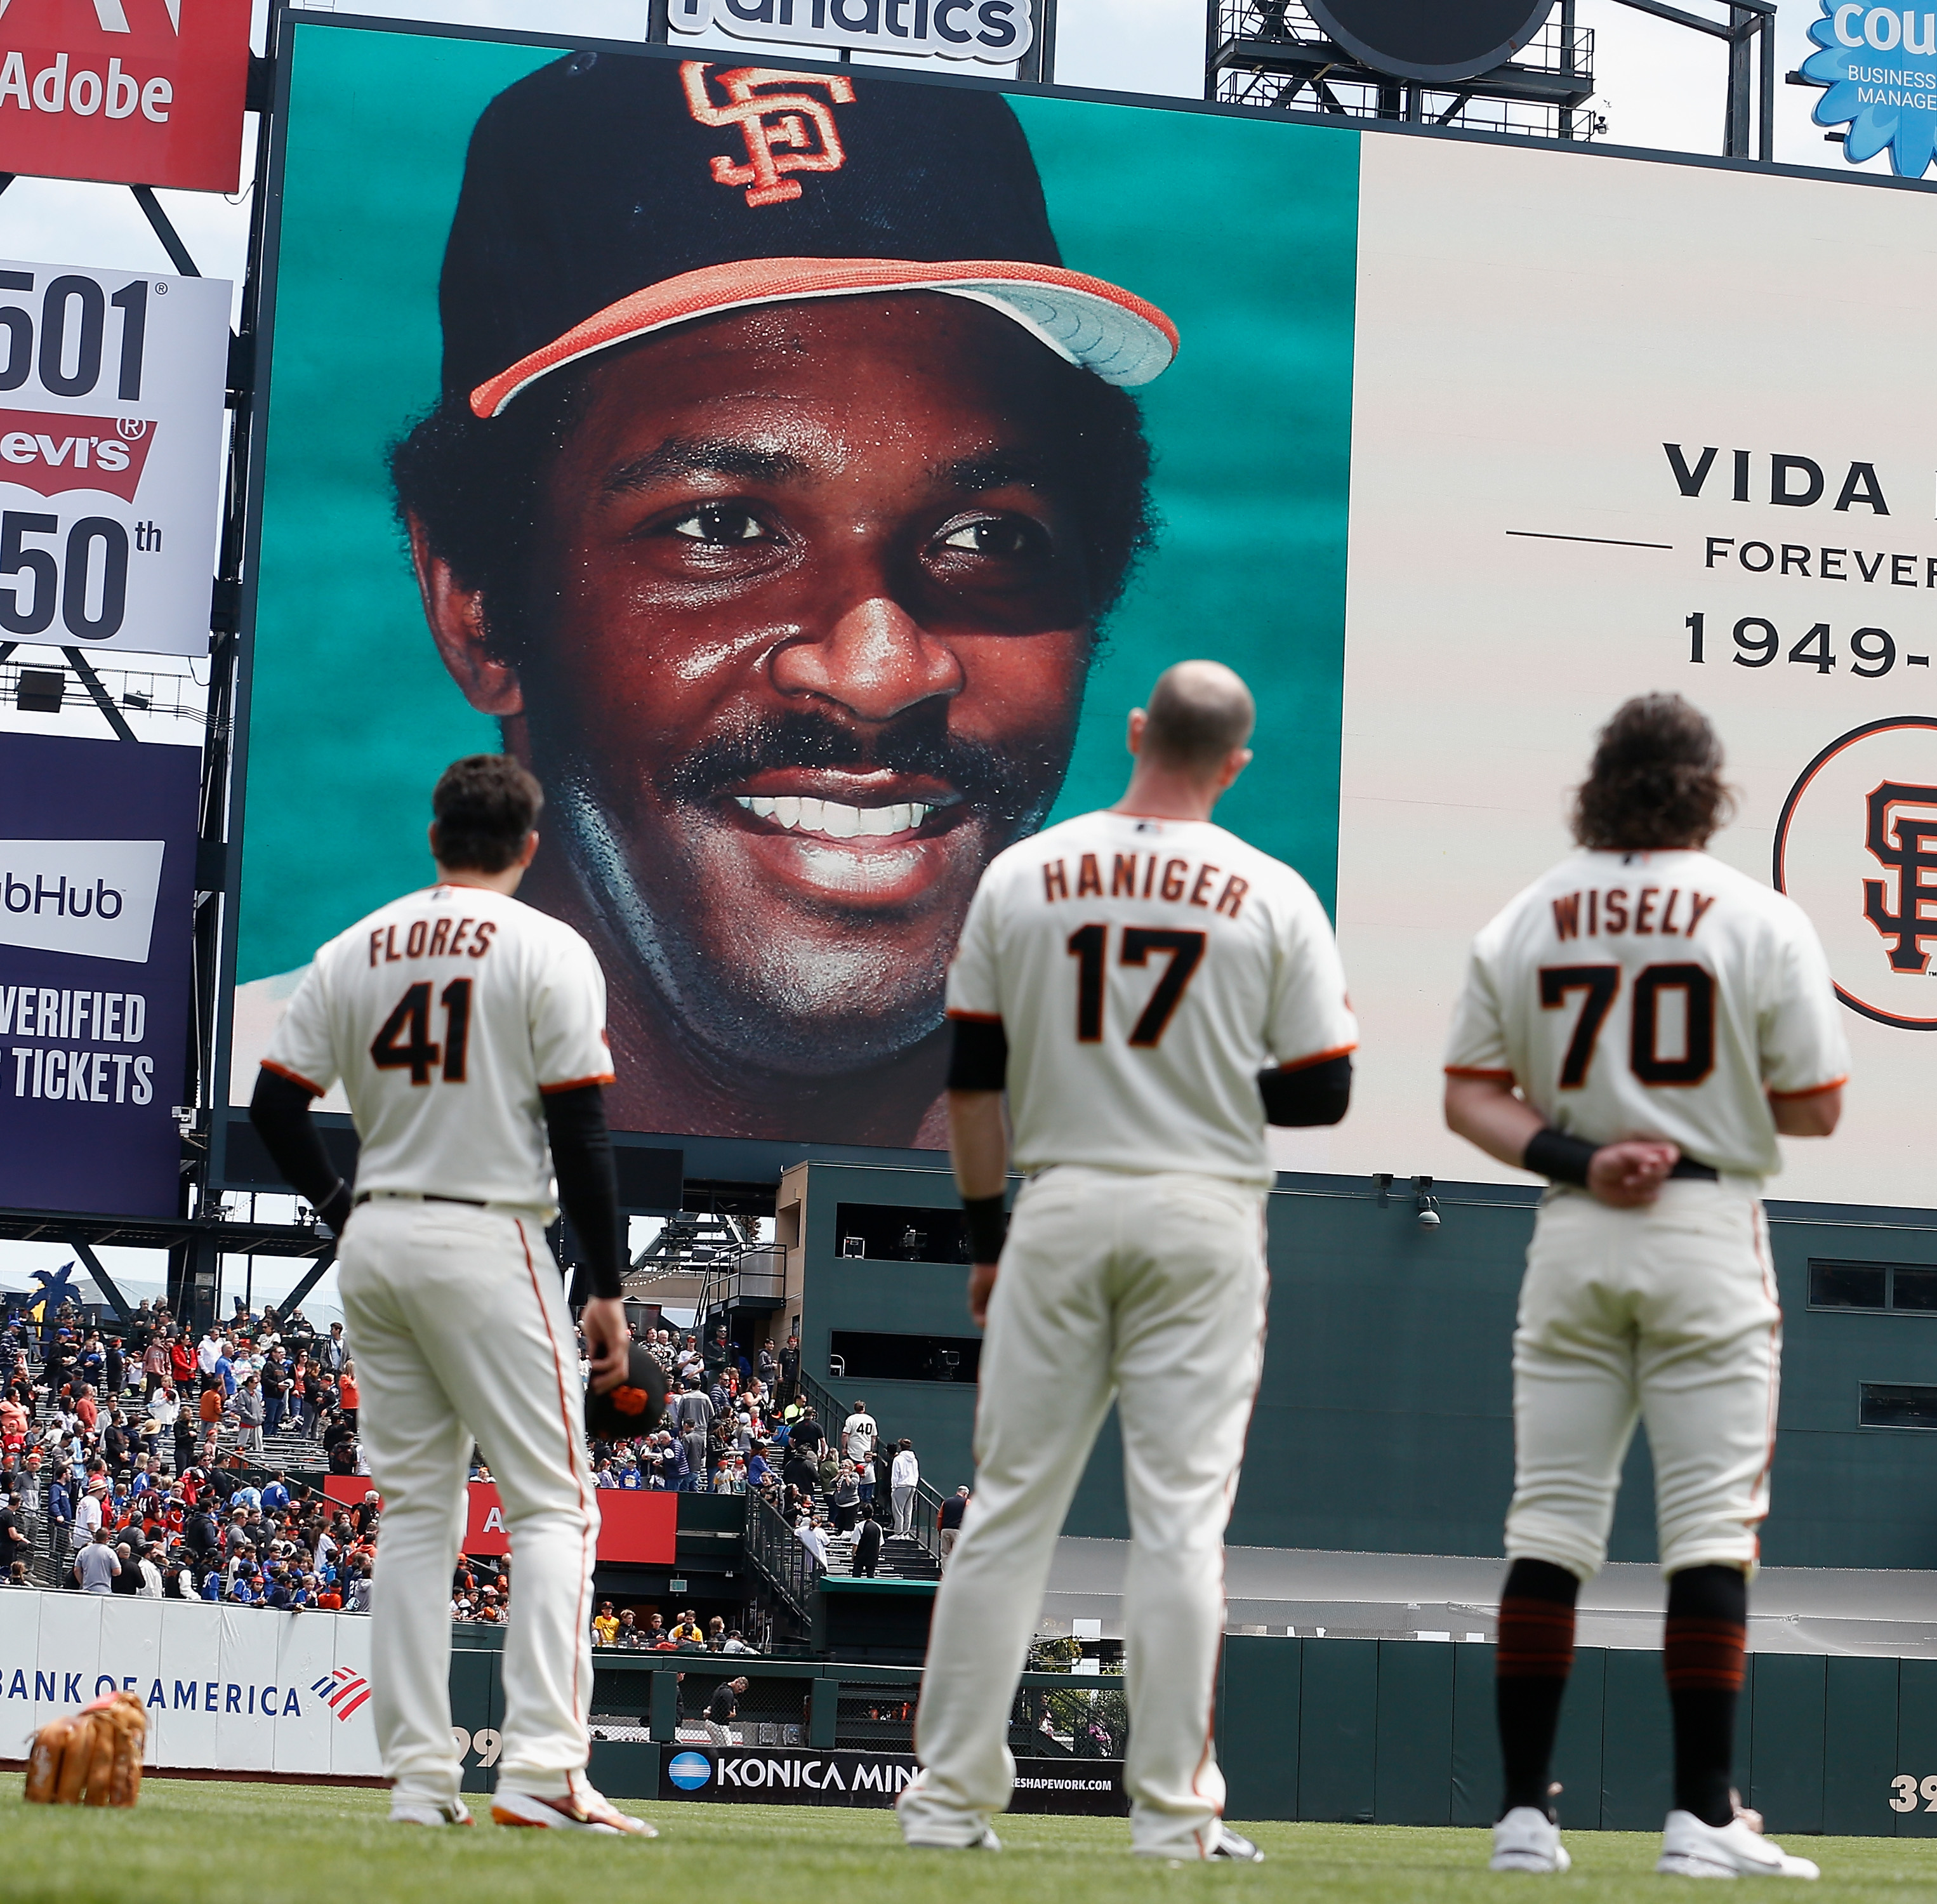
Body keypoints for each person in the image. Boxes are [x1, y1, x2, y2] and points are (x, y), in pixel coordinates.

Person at [237, 54, 1174, 1147]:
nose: (880, 667)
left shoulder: (1276, 1185)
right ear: (475, 603)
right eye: (722, 529)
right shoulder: (248, 1119)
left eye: (986, 538)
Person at [898, 661, 1354, 1862]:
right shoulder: (1272, 892)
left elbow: (975, 1084)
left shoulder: (1026, 872)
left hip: (1060, 1200)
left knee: (1006, 1516)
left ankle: (947, 1801)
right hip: (1200, 1211)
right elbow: (1325, 1087)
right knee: (1181, 1528)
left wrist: (989, 1237)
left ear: (1140, 729)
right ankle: (1171, 1813)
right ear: (1237, 762)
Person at [1441, 695, 1849, 1882]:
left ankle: (1523, 1814)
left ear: (1599, 781)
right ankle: (1700, 1814)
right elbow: (1821, 1102)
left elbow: (1470, 1093)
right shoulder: (1758, 917)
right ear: (1706, 788)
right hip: (1707, 1222)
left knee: (1550, 1523)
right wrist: (1703, 1116)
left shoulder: (1528, 915)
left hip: (1577, 1223)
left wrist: (1585, 1154)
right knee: (1710, 1532)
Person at [248, 755, 653, 1836]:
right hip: (486, 1228)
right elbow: (580, 1129)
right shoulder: (548, 945)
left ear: (435, 838)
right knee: (554, 1505)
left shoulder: (353, 946)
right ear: (529, 846)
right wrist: (607, 1287)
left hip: (378, 1236)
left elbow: (275, 1109)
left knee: (418, 1516)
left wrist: (346, 1209)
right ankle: (542, 1769)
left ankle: (422, 1786)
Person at [891, 1439, 921, 1539]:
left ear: (900, 1447)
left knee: (898, 1510)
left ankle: (898, 1533)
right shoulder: (914, 1460)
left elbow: (895, 1474)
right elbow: (917, 1474)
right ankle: (906, 1533)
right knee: (908, 1511)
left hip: (901, 1486)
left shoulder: (898, 1459)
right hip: (912, 1485)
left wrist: (894, 1487)